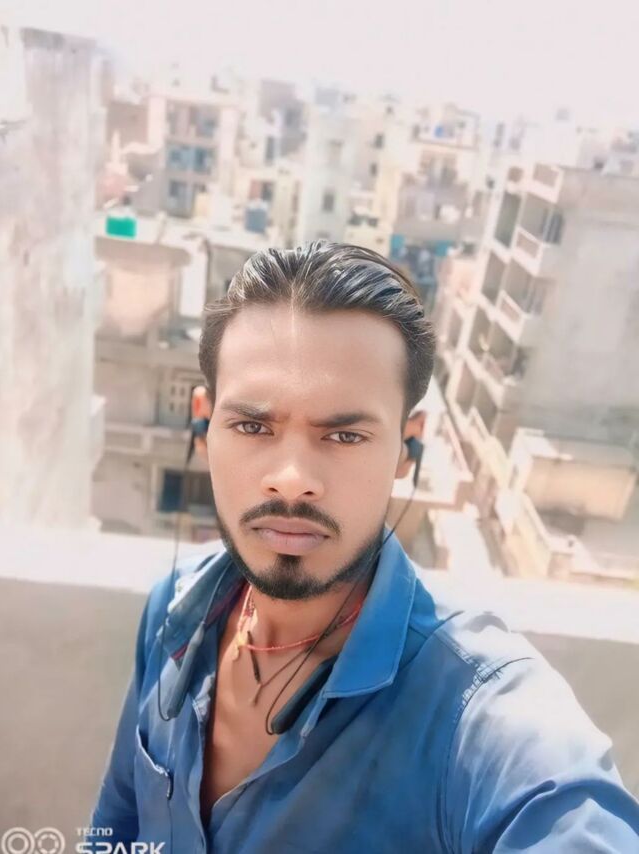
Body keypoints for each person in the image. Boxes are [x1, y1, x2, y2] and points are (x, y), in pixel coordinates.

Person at [87, 242, 639, 852]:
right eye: (252, 426)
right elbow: (118, 821)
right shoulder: (175, 609)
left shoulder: (474, 713)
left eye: (345, 435)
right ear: (204, 421)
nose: (292, 479)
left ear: (407, 447)